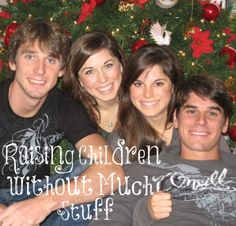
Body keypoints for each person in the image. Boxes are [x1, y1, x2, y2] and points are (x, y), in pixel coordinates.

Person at [0, 19, 124, 226]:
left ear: (61, 70)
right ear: (12, 62)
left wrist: (42, 204)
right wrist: (8, 217)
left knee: (92, 168)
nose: (40, 70)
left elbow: (113, 172)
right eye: (30, 56)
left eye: (50, 60)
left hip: (37, 196)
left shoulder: (64, 107)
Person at [89, 74, 236, 226]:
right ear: (176, 119)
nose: (201, 121)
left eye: (212, 113)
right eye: (192, 111)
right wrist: (144, 212)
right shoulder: (141, 171)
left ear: (225, 124)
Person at [108, 43, 230, 164]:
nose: (147, 94)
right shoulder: (121, 141)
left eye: (158, 83)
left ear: (173, 87)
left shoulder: (198, 128)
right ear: (129, 88)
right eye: (138, 84)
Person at [62, 31, 125, 139]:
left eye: (108, 65)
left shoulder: (144, 104)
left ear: (121, 66)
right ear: (79, 80)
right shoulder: (74, 121)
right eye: (89, 72)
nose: (103, 79)